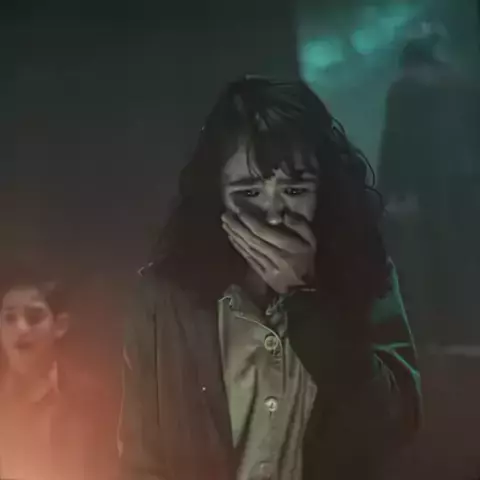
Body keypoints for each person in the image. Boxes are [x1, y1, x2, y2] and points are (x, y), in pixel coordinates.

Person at [118, 76, 421, 480]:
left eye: (294, 191)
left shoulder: (366, 276)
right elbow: (143, 458)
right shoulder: (165, 297)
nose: (274, 215)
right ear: (216, 195)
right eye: (249, 193)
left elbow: (394, 424)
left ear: (324, 192)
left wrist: (306, 301)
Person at [378, 35, 480, 345]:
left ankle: (449, 329)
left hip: (428, 187)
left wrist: (387, 190)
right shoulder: (461, 84)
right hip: (467, 182)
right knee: (467, 253)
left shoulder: (403, 88)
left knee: (437, 257)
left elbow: (394, 141)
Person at [0, 269, 116, 480]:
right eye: (9, 318)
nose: (21, 328)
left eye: (34, 317)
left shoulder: (91, 398)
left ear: (60, 326)